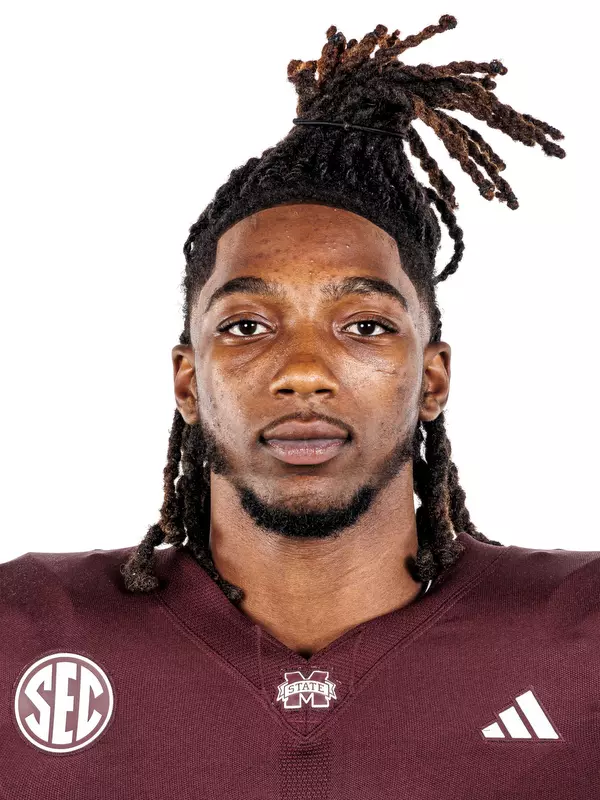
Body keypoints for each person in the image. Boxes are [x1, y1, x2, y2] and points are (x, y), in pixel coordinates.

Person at [2, 14, 597, 799]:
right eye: (248, 326)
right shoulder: (26, 629)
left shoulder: (581, 634)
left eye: (364, 325)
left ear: (432, 379)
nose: (306, 372)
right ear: (187, 381)